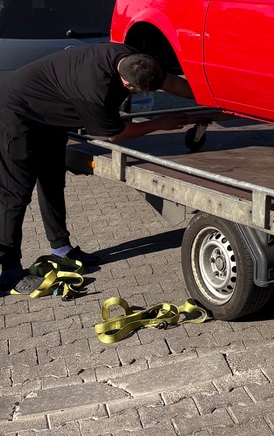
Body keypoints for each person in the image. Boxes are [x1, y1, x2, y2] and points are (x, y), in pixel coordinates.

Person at [0, 43, 195, 291]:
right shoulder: (96, 91)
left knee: (52, 181)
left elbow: (172, 83)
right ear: (127, 85)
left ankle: (61, 249)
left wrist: (213, 98)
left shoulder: (134, 60)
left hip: (49, 117)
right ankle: (10, 272)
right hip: (16, 114)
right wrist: (159, 123)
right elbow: (115, 134)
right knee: (14, 195)